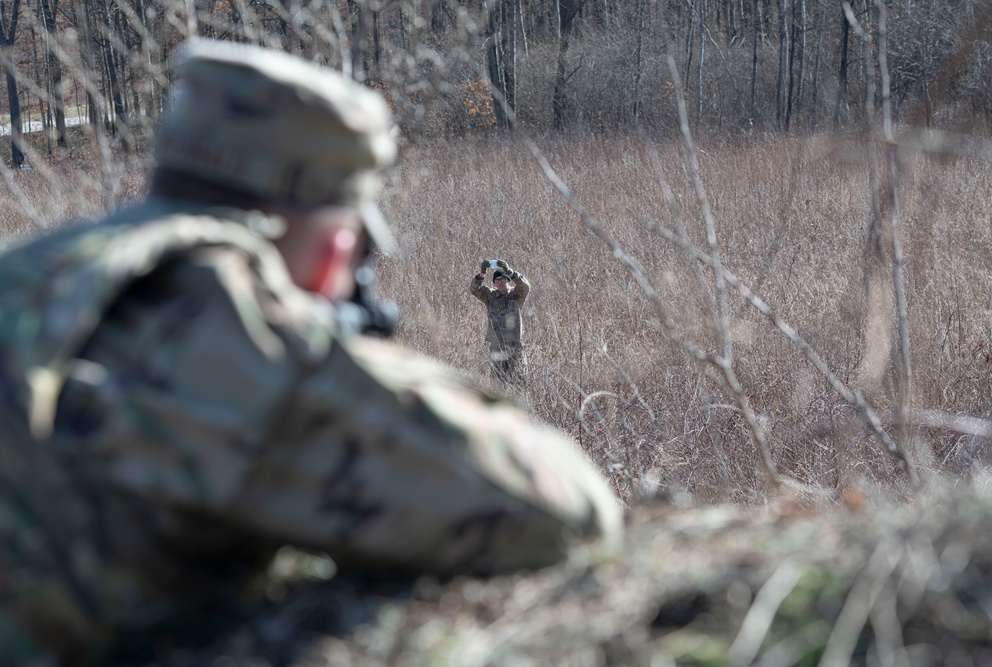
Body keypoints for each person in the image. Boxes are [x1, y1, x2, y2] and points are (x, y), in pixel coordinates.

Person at [0, 39, 621, 665]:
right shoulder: (226, 327)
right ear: (334, 244)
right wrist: (345, 356)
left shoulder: (34, 272)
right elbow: (564, 506)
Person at [469, 259, 530, 384]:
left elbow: (525, 286)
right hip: (496, 347)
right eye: (497, 280)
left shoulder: (516, 295)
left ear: (508, 280)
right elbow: (473, 289)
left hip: (514, 346)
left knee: (520, 382)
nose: (500, 282)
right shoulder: (490, 296)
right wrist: (481, 274)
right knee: (498, 384)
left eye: (502, 279)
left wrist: (510, 272)